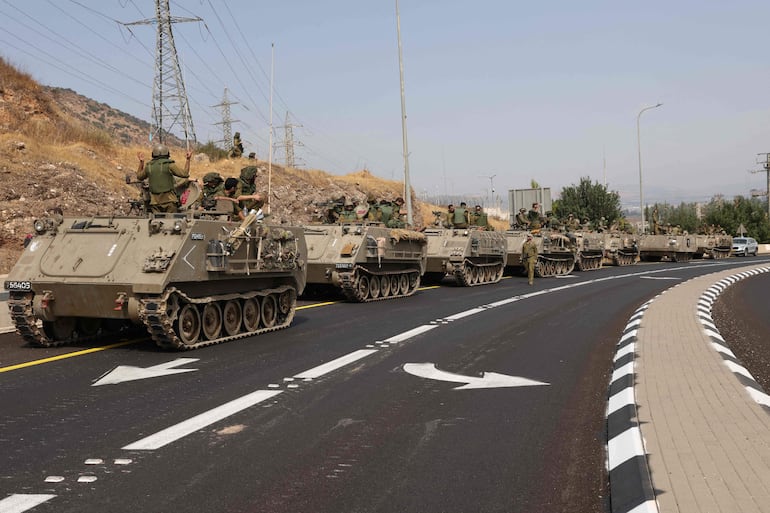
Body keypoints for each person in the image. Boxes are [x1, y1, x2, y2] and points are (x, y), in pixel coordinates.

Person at [136, 144, 191, 213]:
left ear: (153, 154)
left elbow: (139, 176)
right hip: (169, 200)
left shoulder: (149, 167)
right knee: (171, 222)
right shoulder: (169, 165)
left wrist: (141, 162)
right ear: (167, 154)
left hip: (155, 202)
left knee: (156, 222)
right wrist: (188, 160)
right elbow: (185, 174)